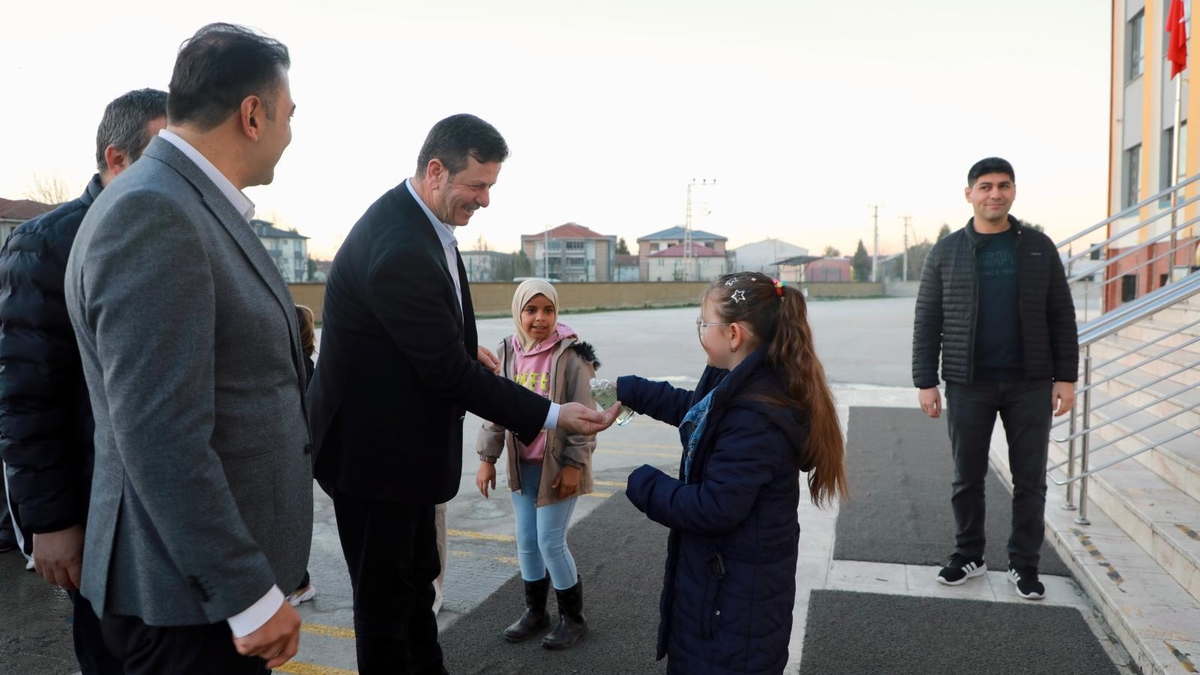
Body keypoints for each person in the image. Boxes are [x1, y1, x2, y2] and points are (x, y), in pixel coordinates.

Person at [307, 113, 617, 674]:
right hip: (373, 458)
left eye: (491, 186)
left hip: (399, 449)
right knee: (385, 608)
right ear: (435, 171)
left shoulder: (420, 223)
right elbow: (448, 376)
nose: (486, 200)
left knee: (416, 584)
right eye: (478, 185)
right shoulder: (401, 244)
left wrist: (449, 343)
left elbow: (416, 331)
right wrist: (550, 414)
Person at [64, 24, 311, 673]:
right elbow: (161, 434)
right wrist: (248, 595)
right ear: (252, 115)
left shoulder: (185, 204)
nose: (292, 130)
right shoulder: (156, 212)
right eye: (290, 113)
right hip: (183, 609)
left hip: (196, 601)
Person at [0, 87, 167, 674]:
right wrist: (50, 523)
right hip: (97, 519)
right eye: (162, 156)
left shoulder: (171, 235)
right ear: (116, 159)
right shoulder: (46, 244)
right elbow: (27, 400)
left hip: (166, 519)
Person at [621, 273, 847, 674]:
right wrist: (629, 390)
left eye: (703, 324)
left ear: (734, 334)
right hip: (727, 589)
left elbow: (714, 507)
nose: (699, 332)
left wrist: (643, 483)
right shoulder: (742, 381)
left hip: (733, 605)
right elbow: (696, 411)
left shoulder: (753, 416)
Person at [912, 156, 1078, 600]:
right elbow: (927, 319)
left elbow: (1061, 315)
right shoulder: (946, 252)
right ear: (969, 194)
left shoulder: (1039, 247)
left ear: (1014, 192)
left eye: (1003, 185)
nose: (994, 194)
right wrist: (925, 381)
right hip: (969, 383)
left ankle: (1025, 564)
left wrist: (1067, 377)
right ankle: (968, 553)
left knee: (1030, 479)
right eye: (985, 186)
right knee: (966, 476)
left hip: (1030, 382)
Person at [475, 279, 599, 650]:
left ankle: (572, 619)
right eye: (531, 310)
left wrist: (575, 463)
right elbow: (495, 407)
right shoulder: (505, 353)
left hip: (559, 466)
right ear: (518, 312)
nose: (540, 318)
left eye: (548, 310)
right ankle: (536, 612)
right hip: (521, 465)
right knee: (527, 541)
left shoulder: (572, 355)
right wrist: (487, 458)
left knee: (550, 540)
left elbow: (587, 416)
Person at [288, 304, 317, 608]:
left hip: (297, 455)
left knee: (289, 520)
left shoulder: (301, 369)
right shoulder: (307, 365)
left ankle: (299, 583)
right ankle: (298, 581)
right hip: (299, 455)